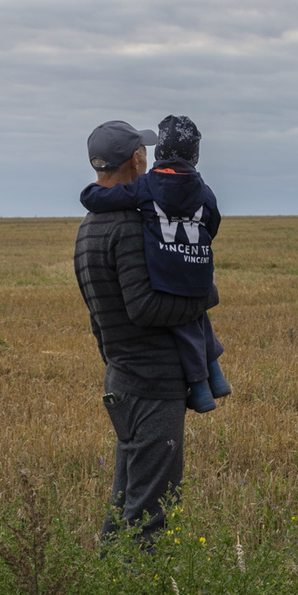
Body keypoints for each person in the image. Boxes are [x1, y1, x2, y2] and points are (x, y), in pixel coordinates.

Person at [74, 120, 219, 546]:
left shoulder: (91, 224)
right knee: (150, 515)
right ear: (137, 159)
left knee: (125, 506)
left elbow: (100, 318)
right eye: (144, 151)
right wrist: (206, 296)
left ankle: (108, 582)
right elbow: (146, 308)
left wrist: (117, 364)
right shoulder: (129, 226)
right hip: (152, 385)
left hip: (123, 378)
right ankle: (137, 589)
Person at [79, 115, 231, 413]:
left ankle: (204, 385)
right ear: (135, 160)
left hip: (126, 371)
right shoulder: (202, 190)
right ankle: (211, 376)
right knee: (193, 317)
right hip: (152, 381)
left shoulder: (139, 193)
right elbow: (212, 221)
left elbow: (105, 198)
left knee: (185, 317)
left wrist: (89, 193)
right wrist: (207, 289)